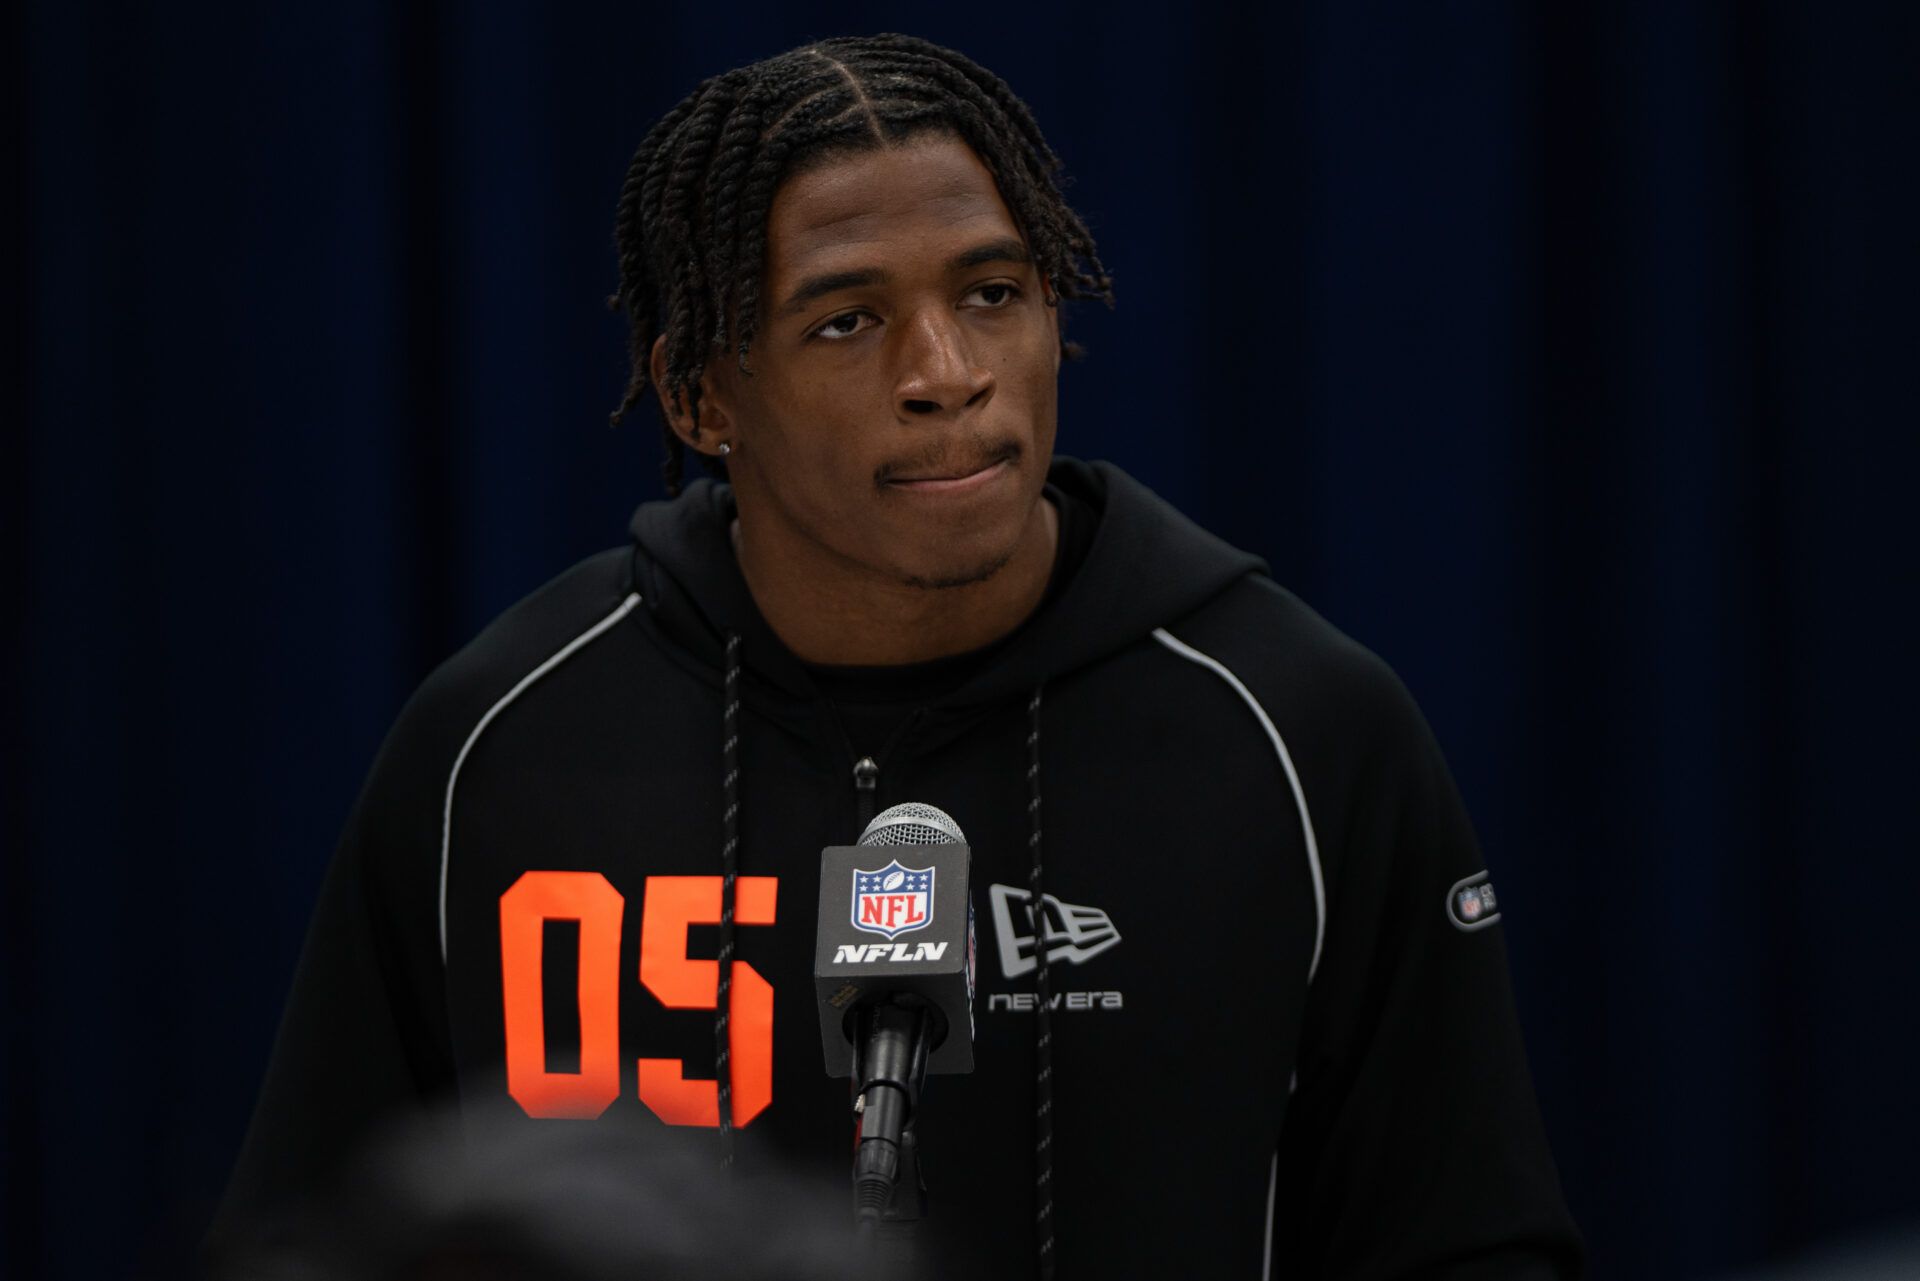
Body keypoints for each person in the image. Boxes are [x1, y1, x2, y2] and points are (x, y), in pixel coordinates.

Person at [210, 32, 1586, 1280]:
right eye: (847, 319)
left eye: (994, 291)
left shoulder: (1302, 729)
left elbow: (1471, 1247)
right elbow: (309, 1242)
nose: (947, 369)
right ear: (700, 391)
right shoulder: (497, 747)